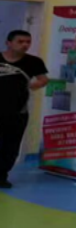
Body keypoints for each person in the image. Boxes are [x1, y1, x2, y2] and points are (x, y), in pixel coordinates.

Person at [0, 30, 48, 188]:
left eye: (28, 42)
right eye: (20, 41)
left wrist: (36, 84)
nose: (25, 45)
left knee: (10, 147)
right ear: (8, 43)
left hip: (17, 112)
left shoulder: (34, 62)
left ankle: (1, 176)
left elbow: (43, 79)